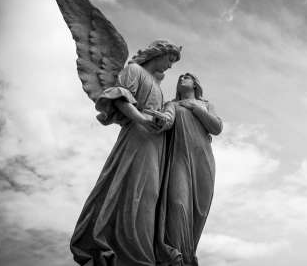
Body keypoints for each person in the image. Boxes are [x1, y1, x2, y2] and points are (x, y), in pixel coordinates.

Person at [70, 40, 182, 266]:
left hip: (154, 143)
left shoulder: (158, 86)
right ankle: (127, 254)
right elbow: (120, 97)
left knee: (149, 195)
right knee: (132, 189)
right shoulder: (134, 71)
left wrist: (161, 122)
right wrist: (142, 119)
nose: (171, 66)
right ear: (158, 53)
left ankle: (142, 252)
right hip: (137, 137)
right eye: (170, 59)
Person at [155, 73, 222, 266]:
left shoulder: (206, 104)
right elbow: (167, 119)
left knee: (198, 212)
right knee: (177, 205)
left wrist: (194, 108)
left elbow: (216, 127)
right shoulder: (172, 104)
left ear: (195, 83)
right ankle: (175, 257)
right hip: (179, 160)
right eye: (180, 77)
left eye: (186, 77)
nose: (181, 78)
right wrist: (161, 120)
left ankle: (188, 255)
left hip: (203, 161)